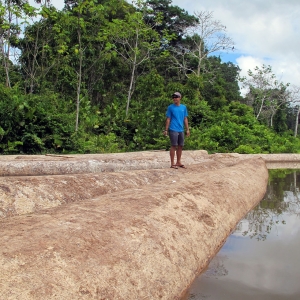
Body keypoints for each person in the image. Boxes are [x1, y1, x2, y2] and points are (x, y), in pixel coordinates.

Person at [163, 92, 190, 169]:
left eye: (176, 97)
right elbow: (168, 118)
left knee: (180, 145)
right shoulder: (170, 107)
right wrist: (166, 129)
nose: (174, 98)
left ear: (180, 98)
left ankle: (178, 162)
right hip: (173, 129)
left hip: (181, 129)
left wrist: (187, 129)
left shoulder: (183, 107)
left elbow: (185, 118)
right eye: (173, 97)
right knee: (174, 145)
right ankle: (172, 163)